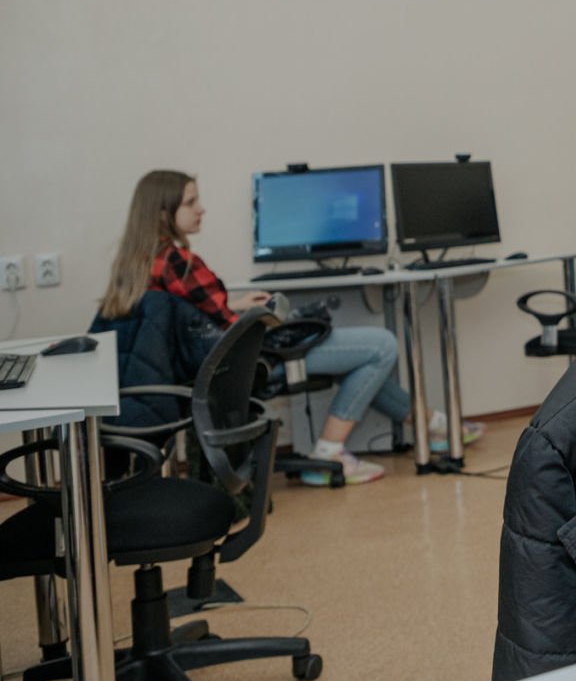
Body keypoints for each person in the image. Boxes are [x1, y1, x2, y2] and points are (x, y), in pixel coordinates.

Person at [97, 170, 479, 485]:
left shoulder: (136, 264)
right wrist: (269, 318)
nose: (201, 209)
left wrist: (235, 305)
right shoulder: (179, 262)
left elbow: (186, 320)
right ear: (164, 212)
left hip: (200, 372)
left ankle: (435, 426)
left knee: (363, 363)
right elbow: (227, 330)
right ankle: (330, 453)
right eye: (191, 202)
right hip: (248, 365)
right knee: (380, 346)